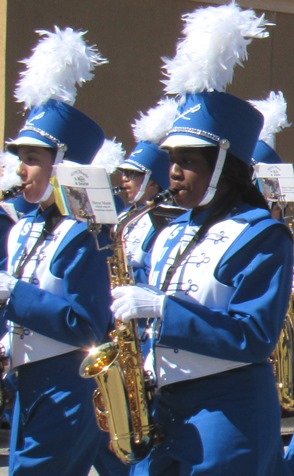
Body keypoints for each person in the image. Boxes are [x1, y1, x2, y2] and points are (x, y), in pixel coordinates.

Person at [109, 4, 294, 475]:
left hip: (226, 417)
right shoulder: (169, 230)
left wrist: (162, 310)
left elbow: (253, 337)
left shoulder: (261, 236)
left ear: (225, 169)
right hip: (163, 410)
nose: (173, 171)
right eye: (172, 159)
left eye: (189, 160)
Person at [0, 26, 118, 476]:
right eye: (20, 157)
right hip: (28, 385)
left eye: (32, 159)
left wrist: (14, 295)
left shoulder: (85, 234)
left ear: (61, 167)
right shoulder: (22, 227)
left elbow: (85, 323)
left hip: (69, 386)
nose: (21, 170)